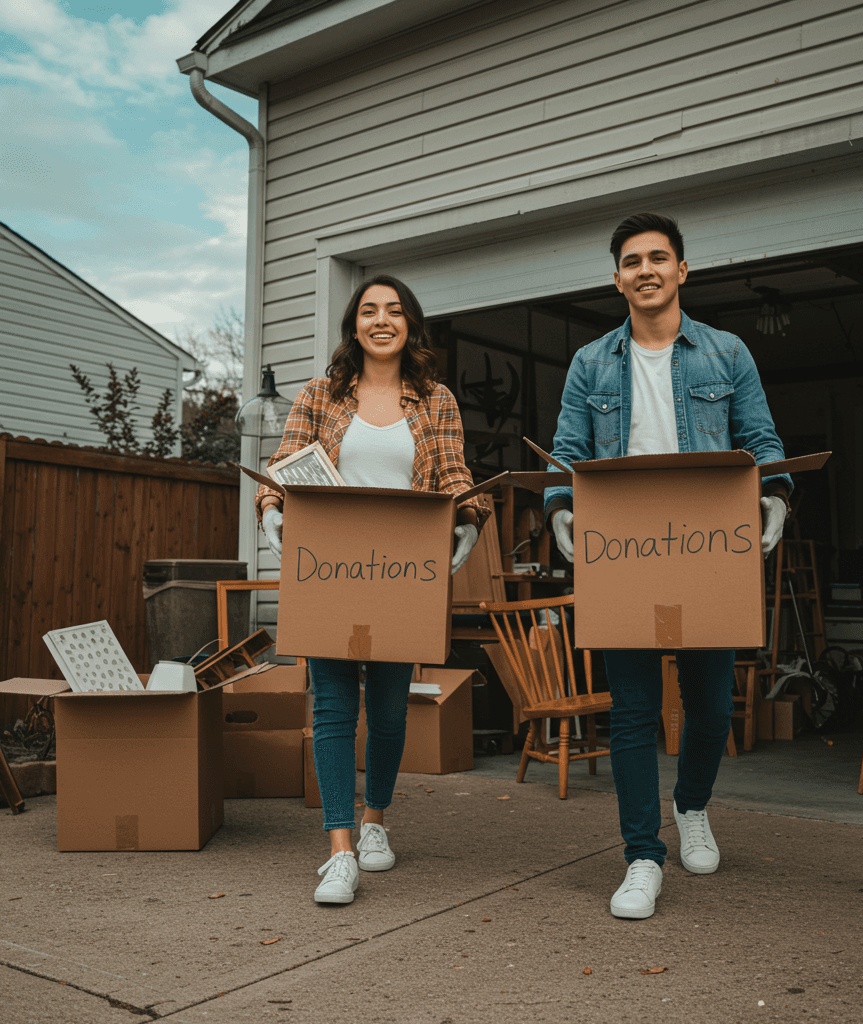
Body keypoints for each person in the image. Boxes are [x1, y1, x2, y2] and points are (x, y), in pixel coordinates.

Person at [544, 213, 792, 920]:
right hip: (623, 548)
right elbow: (567, 449)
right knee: (632, 711)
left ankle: (692, 806)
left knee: (712, 707)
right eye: (631, 260)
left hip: (706, 544)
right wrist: (562, 508)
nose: (645, 270)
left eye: (659, 258)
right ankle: (641, 856)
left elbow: (762, 439)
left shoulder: (726, 352)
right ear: (616, 278)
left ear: (682, 270)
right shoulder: (591, 362)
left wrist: (775, 497)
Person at [254, 274, 489, 905]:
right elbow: (282, 465)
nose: (380, 320)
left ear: (410, 323)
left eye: (392, 311)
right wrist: (272, 509)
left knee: (388, 711)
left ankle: (375, 820)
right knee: (332, 708)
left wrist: (469, 517)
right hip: (329, 570)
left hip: (399, 575)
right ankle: (338, 849)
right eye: (367, 311)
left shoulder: (434, 400)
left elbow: (455, 473)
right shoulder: (321, 393)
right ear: (352, 325)